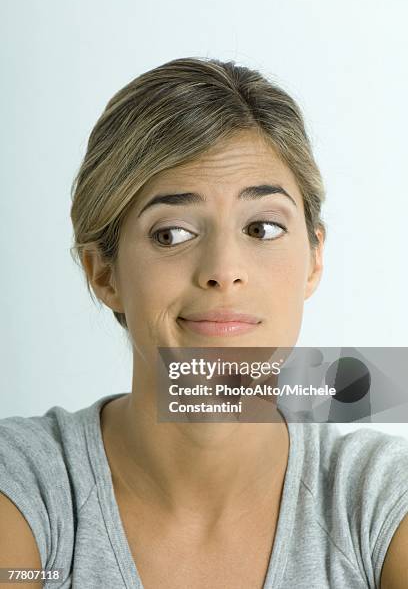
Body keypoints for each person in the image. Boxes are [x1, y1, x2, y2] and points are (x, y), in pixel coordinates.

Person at [1, 57, 407, 589]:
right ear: (104, 274)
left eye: (262, 227)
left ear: (314, 259)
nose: (223, 271)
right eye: (171, 233)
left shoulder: (380, 498)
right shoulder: (26, 486)